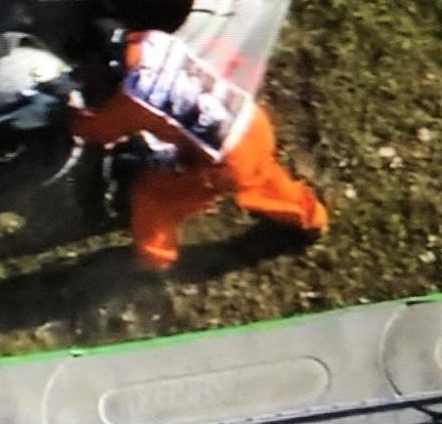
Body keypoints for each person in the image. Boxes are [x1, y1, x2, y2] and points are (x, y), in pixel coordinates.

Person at [69, 29, 327, 271]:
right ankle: (311, 217)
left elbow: (96, 131)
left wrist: (68, 113)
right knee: (262, 174)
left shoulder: (135, 96)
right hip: (251, 123)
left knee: (152, 195)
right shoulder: (153, 40)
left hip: (224, 164)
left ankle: (155, 257)